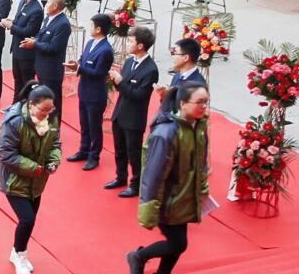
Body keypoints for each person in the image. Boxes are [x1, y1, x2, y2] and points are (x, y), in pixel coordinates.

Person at [126, 83, 211, 274]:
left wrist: (201, 188)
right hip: (167, 198)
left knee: (178, 243)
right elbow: (153, 175)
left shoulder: (197, 127)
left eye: (206, 102)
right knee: (178, 243)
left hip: (184, 196)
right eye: (199, 102)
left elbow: (200, 161)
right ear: (183, 103)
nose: (204, 107)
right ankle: (140, 256)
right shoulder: (166, 133)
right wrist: (149, 206)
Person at [0, 81, 62, 274]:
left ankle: (17, 250)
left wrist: (53, 161)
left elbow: (55, 144)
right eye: (44, 109)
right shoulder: (15, 121)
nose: (48, 114)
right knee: (27, 219)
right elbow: (6, 153)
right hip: (15, 181)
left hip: (38, 180)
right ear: (31, 104)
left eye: (51, 109)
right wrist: (35, 168)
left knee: (29, 221)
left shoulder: (50, 121)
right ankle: (19, 254)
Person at [107, 26, 159, 198]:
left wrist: (120, 82)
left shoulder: (151, 69)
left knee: (133, 153)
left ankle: (136, 184)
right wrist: (115, 80)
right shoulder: (129, 61)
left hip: (134, 118)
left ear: (141, 45)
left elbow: (140, 95)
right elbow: (123, 87)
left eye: (131, 41)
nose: (128, 43)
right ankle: (120, 177)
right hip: (120, 112)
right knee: (119, 149)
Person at [65, 14, 114, 170]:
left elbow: (99, 73)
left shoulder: (106, 50)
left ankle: (94, 156)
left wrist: (78, 68)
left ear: (99, 29)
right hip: (84, 90)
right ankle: (83, 149)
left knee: (94, 126)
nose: (90, 27)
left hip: (95, 93)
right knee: (84, 124)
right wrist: (77, 63)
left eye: (92, 25)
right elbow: (83, 59)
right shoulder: (90, 43)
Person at [24, 0, 71, 120]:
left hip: (52, 70)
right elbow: (41, 35)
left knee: (52, 102)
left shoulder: (63, 24)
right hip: (41, 66)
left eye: (48, 2)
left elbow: (54, 47)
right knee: (42, 99)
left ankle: (54, 130)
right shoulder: (48, 18)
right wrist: (34, 40)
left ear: (55, 6)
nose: (45, 5)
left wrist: (35, 43)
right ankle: (43, 124)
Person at [2, 0, 43, 103]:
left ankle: (28, 105)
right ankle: (16, 104)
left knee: (27, 81)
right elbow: (18, 21)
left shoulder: (36, 9)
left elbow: (29, 31)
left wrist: (11, 26)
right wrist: (10, 22)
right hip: (16, 48)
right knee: (17, 78)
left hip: (27, 52)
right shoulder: (22, 3)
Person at [156, 37, 207, 113]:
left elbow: (191, 112)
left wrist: (170, 95)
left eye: (175, 53)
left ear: (185, 57)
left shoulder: (198, 84)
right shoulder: (177, 75)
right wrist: (165, 95)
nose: (173, 57)